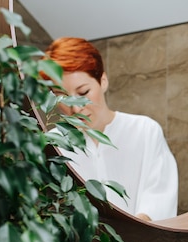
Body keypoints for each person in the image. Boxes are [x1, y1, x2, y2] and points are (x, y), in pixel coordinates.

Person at [45, 37, 179, 221]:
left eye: (83, 93)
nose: (76, 108)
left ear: (103, 81)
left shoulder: (145, 131)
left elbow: (160, 200)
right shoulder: (53, 143)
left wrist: (132, 240)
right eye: (63, 97)